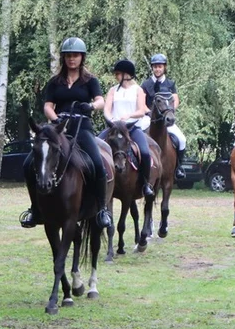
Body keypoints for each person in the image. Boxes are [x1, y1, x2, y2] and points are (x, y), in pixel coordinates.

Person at [20, 37, 113, 229]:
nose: (72, 59)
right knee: (29, 163)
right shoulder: (55, 82)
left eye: (76, 55)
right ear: (64, 58)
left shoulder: (90, 80)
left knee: (98, 164)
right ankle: (35, 209)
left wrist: (91, 105)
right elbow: (47, 106)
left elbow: (101, 101)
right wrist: (55, 120)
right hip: (58, 130)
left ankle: (101, 209)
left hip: (82, 127)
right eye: (69, 56)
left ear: (82, 57)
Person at [102, 59, 154, 198]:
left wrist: (129, 116)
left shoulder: (138, 90)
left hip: (132, 128)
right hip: (114, 128)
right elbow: (107, 109)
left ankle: (145, 184)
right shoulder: (113, 90)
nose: (116, 76)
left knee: (144, 152)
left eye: (118, 73)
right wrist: (111, 120)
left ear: (126, 74)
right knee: (97, 145)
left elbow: (141, 111)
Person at [140, 53, 187, 179]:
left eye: (160, 66)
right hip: (149, 118)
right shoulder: (146, 84)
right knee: (138, 135)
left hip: (166, 117)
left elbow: (176, 100)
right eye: (155, 67)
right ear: (152, 68)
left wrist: (169, 112)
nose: (157, 69)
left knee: (182, 139)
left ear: (164, 67)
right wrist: (149, 113)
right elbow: (141, 103)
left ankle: (179, 167)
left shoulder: (170, 83)